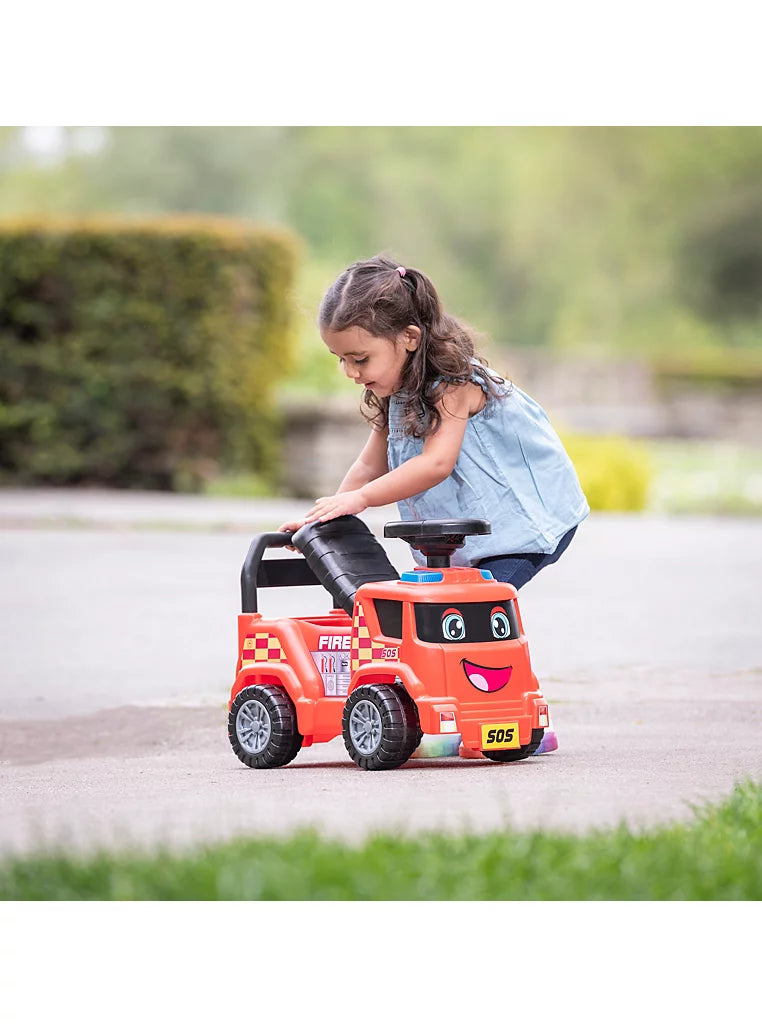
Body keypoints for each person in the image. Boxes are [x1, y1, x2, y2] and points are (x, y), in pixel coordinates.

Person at [279, 254, 590, 756]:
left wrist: (360, 499)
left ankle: (516, 721)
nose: (350, 372)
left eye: (360, 358)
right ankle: (453, 714)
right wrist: (328, 514)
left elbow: (436, 464)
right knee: (440, 621)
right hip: (464, 537)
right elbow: (369, 463)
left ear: (408, 337)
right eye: (341, 360)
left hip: (522, 528)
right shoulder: (396, 390)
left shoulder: (456, 385)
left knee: (473, 618)